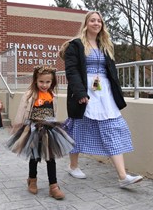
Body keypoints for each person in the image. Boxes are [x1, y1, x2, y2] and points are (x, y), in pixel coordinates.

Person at [59, 11, 143, 188]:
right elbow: (72, 71)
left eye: (99, 21)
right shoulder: (76, 45)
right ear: (86, 23)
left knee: (111, 127)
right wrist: (81, 93)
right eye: (92, 20)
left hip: (104, 93)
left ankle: (122, 176)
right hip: (84, 90)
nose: (96, 23)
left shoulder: (105, 44)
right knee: (78, 127)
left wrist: (117, 93)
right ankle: (73, 165)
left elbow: (111, 72)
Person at [7, 65, 74, 199]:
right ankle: (32, 179)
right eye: (41, 81)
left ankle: (53, 186)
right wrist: (18, 126)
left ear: (52, 82)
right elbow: (22, 111)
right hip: (33, 129)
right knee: (34, 157)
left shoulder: (53, 95)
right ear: (35, 81)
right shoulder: (30, 95)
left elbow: (54, 112)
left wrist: (55, 125)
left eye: (48, 82)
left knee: (51, 158)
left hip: (49, 130)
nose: (44, 85)